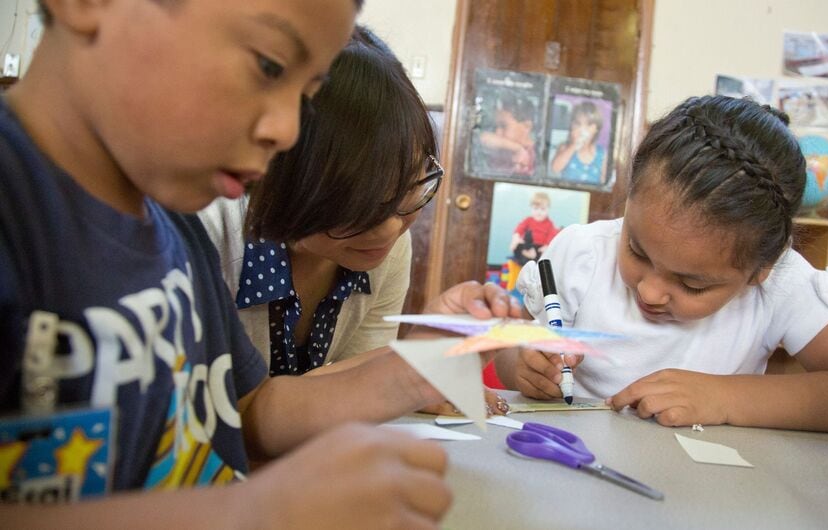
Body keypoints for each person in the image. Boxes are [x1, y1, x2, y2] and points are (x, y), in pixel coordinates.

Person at [0, 1, 517, 526]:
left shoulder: (175, 229)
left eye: (306, 96)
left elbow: (250, 411)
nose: (289, 132)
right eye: (269, 66)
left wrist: (416, 369)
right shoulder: (18, 210)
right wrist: (251, 514)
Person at [495, 95, 828, 434]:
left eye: (692, 284)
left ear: (762, 268)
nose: (650, 292)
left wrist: (727, 398)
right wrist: (526, 368)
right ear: (630, 200)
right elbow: (510, 355)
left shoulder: (781, 283)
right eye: (637, 251)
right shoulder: (583, 253)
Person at [200, 26, 511, 416]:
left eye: (410, 189)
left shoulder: (386, 248)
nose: (389, 229)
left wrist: (413, 373)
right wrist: (399, 377)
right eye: (358, 205)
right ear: (283, 176)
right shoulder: (210, 235)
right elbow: (225, 415)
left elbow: (341, 400)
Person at [476, 94, 536, 176]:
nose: (497, 132)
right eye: (495, 127)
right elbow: (482, 138)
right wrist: (516, 148)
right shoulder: (503, 149)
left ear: (526, 126)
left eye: (503, 126)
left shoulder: (535, 156)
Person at [550, 101, 608, 184]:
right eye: (578, 124)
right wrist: (573, 145)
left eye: (589, 125)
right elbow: (555, 169)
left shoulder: (601, 154)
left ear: (596, 129)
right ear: (572, 126)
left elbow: (604, 182)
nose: (582, 129)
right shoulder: (565, 147)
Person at [509, 191, 560, 265]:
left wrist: (547, 246)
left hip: (539, 248)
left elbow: (552, 235)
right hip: (527, 245)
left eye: (542, 209)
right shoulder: (528, 220)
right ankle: (528, 252)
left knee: (546, 253)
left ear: (548, 209)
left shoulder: (549, 224)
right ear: (531, 208)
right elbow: (519, 228)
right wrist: (516, 237)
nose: (539, 212)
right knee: (521, 241)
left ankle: (531, 254)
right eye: (536, 208)